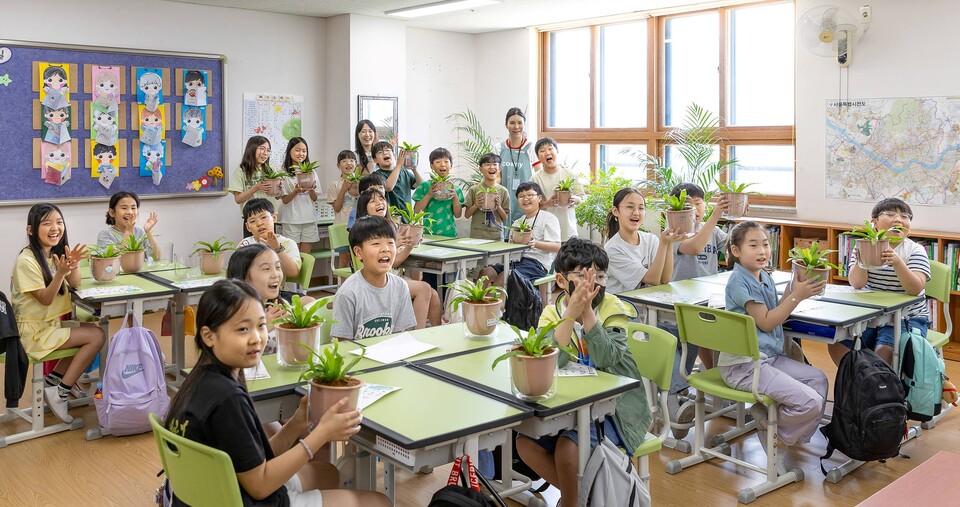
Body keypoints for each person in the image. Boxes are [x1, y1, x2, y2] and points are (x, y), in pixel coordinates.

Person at [163, 279, 389, 507]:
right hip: (247, 498)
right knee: (378, 502)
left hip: (217, 491)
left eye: (261, 325)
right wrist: (321, 434)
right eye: (242, 329)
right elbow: (260, 486)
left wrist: (295, 426)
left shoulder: (201, 379)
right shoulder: (227, 398)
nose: (256, 338)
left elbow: (252, 457)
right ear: (208, 335)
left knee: (328, 472)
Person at [516, 238, 648, 506]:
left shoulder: (612, 307)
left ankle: (571, 501)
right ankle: (579, 497)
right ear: (562, 281)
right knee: (525, 442)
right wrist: (570, 315)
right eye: (583, 275)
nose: (593, 284)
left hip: (618, 408)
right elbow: (553, 362)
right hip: (569, 404)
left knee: (568, 449)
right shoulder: (553, 312)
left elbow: (607, 356)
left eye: (599, 276)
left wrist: (587, 314)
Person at [722, 221, 828, 469]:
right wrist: (796, 296)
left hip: (768, 358)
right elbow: (767, 322)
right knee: (809, 403)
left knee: (818, 380)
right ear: (736, 251)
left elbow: (778, 308)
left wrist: (795, 284)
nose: (762, 251)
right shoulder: (739, 281)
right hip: (745, 366)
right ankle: (773, 433)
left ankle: (775, 431)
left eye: (766, 245)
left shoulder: (764, 277)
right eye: (753, 245)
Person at [12, 203, 105, 423]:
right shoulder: (26, 260)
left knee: (91, 332)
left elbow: (76, 283)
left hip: (48, 326)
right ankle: (61, 391)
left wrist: (71, 266)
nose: (55, 228)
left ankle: (53, 383)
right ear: (31, 230)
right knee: (96, 336)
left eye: (59, 222)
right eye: (47, 223)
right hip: (32, 332)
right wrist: (60, 273)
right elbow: (45, 299)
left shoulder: (54, 253)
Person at [662, 183, 731, 437]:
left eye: (700, 203)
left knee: (712, 343)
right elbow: (695, 248)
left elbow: (732, 245)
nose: (697, 209)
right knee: (685, 349)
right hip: (679, 304)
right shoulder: (674, 234)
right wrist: (715, 216)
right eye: (690, 205)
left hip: (710, 300)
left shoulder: (711, 229)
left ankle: (711, 388)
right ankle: (679, 401)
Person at [828, 197, 931, 366]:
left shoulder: (915, 250)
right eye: (890, 214)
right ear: (874, 223)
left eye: (905, 217)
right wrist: (863, 258)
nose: (898, 219)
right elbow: (857, 283)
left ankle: (879, 386)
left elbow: (915, 289)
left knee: (884, 350)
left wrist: (898, 263)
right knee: (837, 344)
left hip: (908, 317)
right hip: (871, 316)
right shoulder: (864, 245)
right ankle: (858, 380)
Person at [355, 189, 442, 329]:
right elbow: (389, 263)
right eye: (372, 201)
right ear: (363, 208)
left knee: (434, 296)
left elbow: (396, 261)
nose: (379, 202)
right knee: (424, 289)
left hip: (394, 276)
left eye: (382, 199)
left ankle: (437, 333)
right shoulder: (364, 230)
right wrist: (395, 245)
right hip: (377, 278)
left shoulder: (390, 226)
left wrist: (410, 245)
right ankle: (416, 335)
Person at [331, 216, 417, 340]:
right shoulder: (348, 293)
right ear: (359, 252)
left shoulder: (400, 286)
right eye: (376, 244)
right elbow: (344, 345)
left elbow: (400, 335)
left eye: (390, 243)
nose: (385, 249)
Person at [480, 182, 560, 291]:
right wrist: (511, 245)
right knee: (485, 272)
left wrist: (535, 243)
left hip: (536, 264)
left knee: (504, 277)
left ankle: (498, 307)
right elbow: (509, 249)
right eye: (521, 196)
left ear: (539, 198)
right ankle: (477, 303)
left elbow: (557, 246)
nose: (525, 199)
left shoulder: (549, 218)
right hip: (514, 261)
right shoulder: (517, 222)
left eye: (530, 195)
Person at [604, 188, 685, 294]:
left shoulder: (651, 240)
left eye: (641, 208)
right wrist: (664, 242)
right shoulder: (612, 250)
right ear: (616, 211)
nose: (636, 213)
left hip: (646, 305)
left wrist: (669, 242)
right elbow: (653, 279)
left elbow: (665, 279)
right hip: (622, 307)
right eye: (630, 207)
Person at [494, 107, 540, 226]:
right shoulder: (499, 148)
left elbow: (539, 175)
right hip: (504, 201)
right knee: (504, 237)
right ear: (506, 125)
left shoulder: (530, 147)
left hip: (526, 200)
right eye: (512, 123)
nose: (516, 127)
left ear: (524, 124)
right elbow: (495, 176)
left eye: (520, 123)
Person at [530, 137, 582, 241]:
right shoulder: (535, 178)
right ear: (538, 157)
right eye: (542, 150)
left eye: (550, 148)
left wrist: (576, 199)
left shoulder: (568, 173)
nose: (547, 152)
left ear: (557, 152)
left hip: (568, 231)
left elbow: (581, 196)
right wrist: (547, 203)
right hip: (546, 232)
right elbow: (531, 206)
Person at [237, 199, 302, 279]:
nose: (259, 223)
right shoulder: (245, 244)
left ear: (274, 218)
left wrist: (277, 248)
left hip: (274, 289)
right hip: (249, 290)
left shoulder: (287, 243)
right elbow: (237, 272)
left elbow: (292, 273)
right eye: (253, 221)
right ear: (248, 227)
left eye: (263, 217)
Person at [279, 137, 321, 254]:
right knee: (293, 256)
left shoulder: (311, 171)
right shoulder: (283, 172)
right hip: (291, 220)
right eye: (297, 150)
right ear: (289, 151)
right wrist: (295, 191)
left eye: (304, 150)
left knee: (305, 257)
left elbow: (315, 198)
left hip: (309, 219)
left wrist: (312, 190)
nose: (301, 153)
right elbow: (285, 200)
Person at [413, 147, 463, 238]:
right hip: (428, 233)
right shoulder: (425, 186)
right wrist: (429, 195)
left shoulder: (456, 189)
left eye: (446, 162)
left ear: (451, 165)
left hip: (450, 234)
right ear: (431, 166)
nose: (442, 165)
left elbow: (458, 215)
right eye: (438, 162)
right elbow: (417, 210)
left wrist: (455, 198)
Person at [97, 191, 161, 261]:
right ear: (112, 212)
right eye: (124, 208)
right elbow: (114, 261)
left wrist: (148, 232)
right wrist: (128, 232)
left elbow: (156, 257)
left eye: (133, 208)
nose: (130, 212)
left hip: (141, 271)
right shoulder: (105, 235)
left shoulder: (140, 231)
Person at [463, 153, 510, 241]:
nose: (491, 167)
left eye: (495, 164)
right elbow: (466, 215)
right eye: (487, 164)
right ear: (481, 169)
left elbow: (505, 218)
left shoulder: (503, 191)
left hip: (496, 236)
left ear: (499, 169)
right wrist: (476, 205)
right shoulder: (474, 189)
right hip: (477, 236)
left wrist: (498, 206)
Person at [328, 150, 361, 267]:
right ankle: (343, 285)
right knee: (344, 260)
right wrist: (343, 189)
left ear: (356, 164)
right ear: (338, 165)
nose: (349, 163)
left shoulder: (361, 182)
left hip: (359, 227)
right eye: (344, 161)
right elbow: (336, 208)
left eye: (352, 160)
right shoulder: (335, 184)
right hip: (341, 226)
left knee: (360, 259)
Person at [372, 141, 421, 212]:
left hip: (407, 217)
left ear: (393, 154)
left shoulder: (403, 171)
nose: (385, 153)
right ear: (375, 160)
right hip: (391, 217)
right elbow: (388, 187)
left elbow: (420, 185)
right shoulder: (376, 175)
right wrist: (398, 165)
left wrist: (414, 168)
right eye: (380, 152)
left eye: (388, 150)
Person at [228, 136, 276, 207]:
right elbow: (238, 199)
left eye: (268, 150)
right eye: (262, 149)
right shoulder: (241, 171)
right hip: (251, 216)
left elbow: (278, 196)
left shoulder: (271, 170)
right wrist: (256, 187)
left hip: (270, 215)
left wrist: (279, 188)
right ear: (251, 149)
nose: (265, 153)